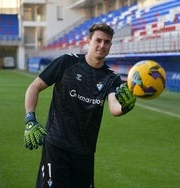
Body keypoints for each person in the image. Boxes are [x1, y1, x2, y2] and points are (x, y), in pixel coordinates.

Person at [24, 23, 136, 188]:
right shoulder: (67, 62)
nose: (102, 45)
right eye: (98, 40)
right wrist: (30, 118)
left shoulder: (111, 78)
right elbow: (34, 87)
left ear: (110, 45)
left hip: (85, 153)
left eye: (106, 42)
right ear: (88, 41)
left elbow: (114, 108)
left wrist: (126, 107)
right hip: (57, 147)